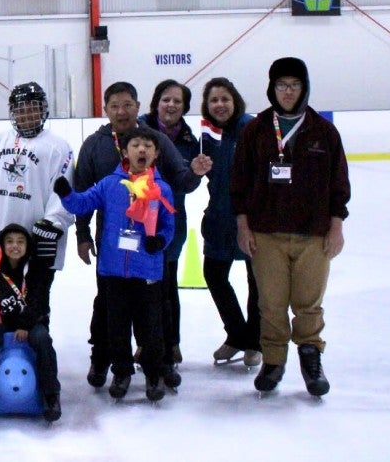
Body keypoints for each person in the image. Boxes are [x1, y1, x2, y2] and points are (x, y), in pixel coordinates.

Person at [72, 82, 210, 390]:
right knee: (108, 305)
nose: (121, 112)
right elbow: (82, 192)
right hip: (111, 247)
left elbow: (181, 181)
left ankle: (160, 363)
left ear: (138, 106)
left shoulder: (154, 141)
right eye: (114, 106)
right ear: (105, 110)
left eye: (127, 105)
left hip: (150, 245)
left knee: (156, 304)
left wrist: (196, 173)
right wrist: (82, 235)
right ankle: (102, 357)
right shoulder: (95, 145)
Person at [230, 57, 349, 397]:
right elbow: (239, 182)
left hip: (313, 234)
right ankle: (273, 361)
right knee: (270, 303)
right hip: (266, 234)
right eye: (281, 85)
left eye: (294, 85)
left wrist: (336, 225)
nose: (287, 92)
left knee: (308, 303)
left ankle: (311, 359)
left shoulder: (323, 132)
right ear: (272, 88)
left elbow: (339, 182)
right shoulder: (255, 130)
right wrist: (243, 225)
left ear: (305, 88)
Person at [55, 128, 176, 402]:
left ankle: (154, 374)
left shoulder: (162, 189)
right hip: (113, 270)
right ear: (125, 151)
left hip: (147, 270)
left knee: (150, 328)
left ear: (156, 153)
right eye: (135, 145)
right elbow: (82, 203)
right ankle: (121, 372)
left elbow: (169, 226)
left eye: (147, 145)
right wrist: (66, 194)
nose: (141, 150)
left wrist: (161, 241)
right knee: (117, 327)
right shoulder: (110, 184)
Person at [0, 81, 74, 293]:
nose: (27, 114)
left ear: (43, 110)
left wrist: (53, 222)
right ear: (13, 113)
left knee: (35, 302)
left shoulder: (59, 147)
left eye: (33, 108)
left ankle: (38, 325)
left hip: (37, 237)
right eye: (21, 110)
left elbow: (63, 192)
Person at [0, 224, 62, 424]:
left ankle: (50, 395)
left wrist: (25, 326)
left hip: (31, 323)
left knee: (43, 339)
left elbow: (39, 303)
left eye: (20, 241)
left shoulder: (37, 270)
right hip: (3, 324)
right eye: (9, 241)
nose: (15, 246)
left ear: (28, 246)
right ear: (1, 245)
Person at [137, 79, 199, 381]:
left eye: (177, 101)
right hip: (134, 220)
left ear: (185, 107)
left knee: (166, 285)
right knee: (137, 286)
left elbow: (187, 184)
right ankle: (143, 344)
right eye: (165, 99)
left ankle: (170, 344)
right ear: (155, 103)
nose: (171, 105)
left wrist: (196, 174)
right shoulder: (138, 130)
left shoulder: (188, 139)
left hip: (170, 220)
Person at [198, 77, 262, 366]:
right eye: (214, 100)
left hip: (251, 219)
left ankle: (255, 342)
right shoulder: (207, 134)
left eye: (225, 99)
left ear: (235, 100)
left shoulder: (252, 128)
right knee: (214, 275)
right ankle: (237, 334)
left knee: (256, 282)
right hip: (219, 219)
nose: (220, 105)